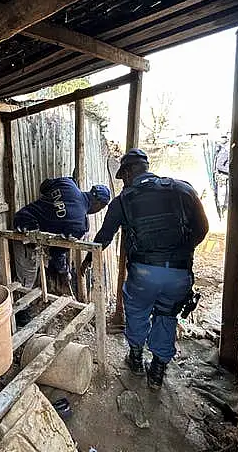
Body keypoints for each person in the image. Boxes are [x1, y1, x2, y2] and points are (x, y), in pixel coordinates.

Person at [81, 149, 208, 389]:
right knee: (167, 315)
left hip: (144, 273)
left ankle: (136, 359)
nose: (123, 182)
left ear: (129, 172)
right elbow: (202, 228)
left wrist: (88, 260)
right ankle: (158, 370)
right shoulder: (183, 189)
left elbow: (103, 238)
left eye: (123, 177)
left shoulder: (123, 201)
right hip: (179, 274)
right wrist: (180, 252)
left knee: (138, 311)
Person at [13, 177, 110, 289]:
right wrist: (64, 272)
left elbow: (44, 186)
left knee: (35, 274)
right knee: (26, 282)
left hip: (22, 218)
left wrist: (56, 203)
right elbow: (57, 252)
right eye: (101, 208)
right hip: (25, 234)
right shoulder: (79, 225)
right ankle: (20, 304)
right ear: (99, 204)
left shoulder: (68, 183)